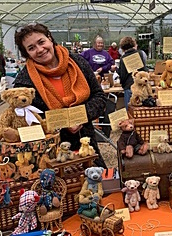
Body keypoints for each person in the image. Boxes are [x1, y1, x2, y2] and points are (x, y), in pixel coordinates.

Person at [13, 23, 108, 169]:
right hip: (50, 155)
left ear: (50, 39)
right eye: (31, 48)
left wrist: (80, 116)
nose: (39, 50)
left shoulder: (78, 63)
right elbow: (23, 119)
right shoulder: (24, 81)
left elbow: (99, 96)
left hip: (86, 146)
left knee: (96, 184)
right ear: (26, 54)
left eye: (41, 42)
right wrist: (62, 123)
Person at [118, 36, 149, 110]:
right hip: (142, 87)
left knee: (130, 112)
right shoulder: (140, 54)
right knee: (142, 112)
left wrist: (122, 84)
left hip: (129, 87)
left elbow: (122, 76)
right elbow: (145, 70)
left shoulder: (123, 58)